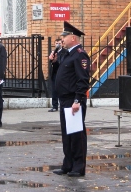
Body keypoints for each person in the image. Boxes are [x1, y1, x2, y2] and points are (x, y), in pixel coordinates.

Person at [52, 21, 90, 177]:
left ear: (73, 37)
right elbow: (60, 75)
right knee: (67, 134)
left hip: (73, 99)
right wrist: (54, 62)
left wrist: (77, 100)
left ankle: (78, 167)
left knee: (76, 135)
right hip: (64, 99)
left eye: (64, 36)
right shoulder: (66, 54)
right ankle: (67, 164)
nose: (62, 39)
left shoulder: (80, 54)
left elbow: (83, 80)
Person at [48, 38, 65, 112]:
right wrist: (52, 59)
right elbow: (50, 62)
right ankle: (55, 106)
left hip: (62, 74)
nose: (58, 45)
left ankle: (63, 105)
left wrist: (56, 60)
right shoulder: (53, 52)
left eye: (59, 43)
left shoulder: (65, 52)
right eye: (56, 43)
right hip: (54, 73)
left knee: (62, 90)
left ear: (62, 44)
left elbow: (62, 62)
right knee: (54, 90)